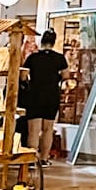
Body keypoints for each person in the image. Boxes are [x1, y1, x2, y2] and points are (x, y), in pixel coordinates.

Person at [21, 27, 68, 166]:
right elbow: (66, 75)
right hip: (51, 96)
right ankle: (44, 158)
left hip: (34, 95)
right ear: (54, 42)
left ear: (42, 41)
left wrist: (30, 82)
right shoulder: (60, 58)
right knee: (48, 129)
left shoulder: (33, 57)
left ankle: (31, 159)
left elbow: (23, 76)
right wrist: (56, 78)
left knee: (33, 130)